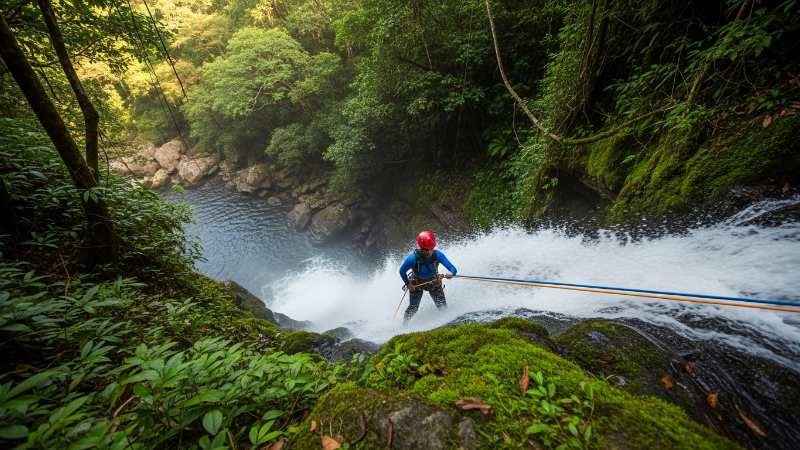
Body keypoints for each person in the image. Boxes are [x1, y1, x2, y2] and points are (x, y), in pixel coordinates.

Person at [398, 231, 457, 323]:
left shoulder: (438, 255)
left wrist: (451, 273)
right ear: (421, 248)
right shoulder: (412, 259)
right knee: (413, 308)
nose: (429, 252)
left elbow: (453, 268)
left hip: (433, 282)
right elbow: (401, 271)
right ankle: (404, 324)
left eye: (431, 249)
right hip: (416, 283)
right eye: (426, 250)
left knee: (442, 306)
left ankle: (447, 323)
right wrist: (408, 283)